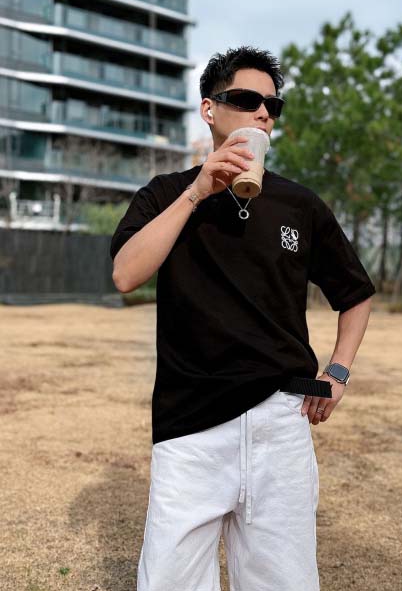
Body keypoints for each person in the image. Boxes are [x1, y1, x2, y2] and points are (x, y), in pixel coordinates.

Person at [110, 45, 376, 591]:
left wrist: (338, 371)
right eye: (247, 100)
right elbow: (125, 275)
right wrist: (198, 192)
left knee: (284, 581)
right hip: (190, 425)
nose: (262, 113)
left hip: (282, 421)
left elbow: (355, 293)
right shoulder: (165, 194)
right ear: (209, 109)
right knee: (170, 582)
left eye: (272, 106)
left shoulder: (300, 205)